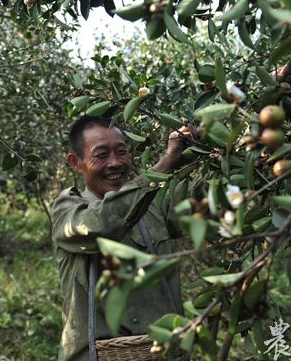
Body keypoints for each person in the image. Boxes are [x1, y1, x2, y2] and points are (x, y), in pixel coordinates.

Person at [51, 115, 196, 361]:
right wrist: (166, 162)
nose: (115, 163)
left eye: (121, 152)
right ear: (76, 163)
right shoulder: (67, 210)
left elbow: (207, 207)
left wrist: (201, 152)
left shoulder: (154, 204)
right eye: (101, 154)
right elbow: (101, 224)